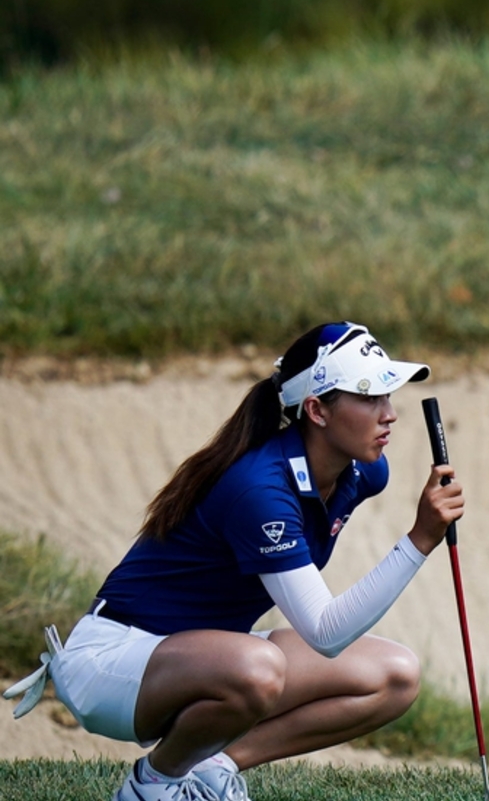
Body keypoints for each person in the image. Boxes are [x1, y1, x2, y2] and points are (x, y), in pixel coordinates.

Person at [3, 322, 465, 801]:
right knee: (258, 667)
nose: (389, 414)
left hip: (207, 656)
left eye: (389, 395)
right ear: (316, 410)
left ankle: (213, 765)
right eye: (369, 397)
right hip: (113, 661)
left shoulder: (364, 470)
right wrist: (419, 539)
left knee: (396, 674)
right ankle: (154, 785)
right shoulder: (259, 490)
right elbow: (325, 634)